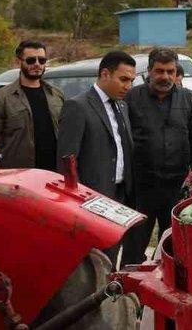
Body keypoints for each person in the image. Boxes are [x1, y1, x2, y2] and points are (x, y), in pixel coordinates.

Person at [122, 48, 192, 265]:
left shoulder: (187, 98)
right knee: (135, 244)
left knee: (171, 246)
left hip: (176, 186)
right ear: (149, 71)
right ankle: (128, 295)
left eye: (170, 71)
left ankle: (165, 292)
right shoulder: (132, 97)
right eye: (159, 71)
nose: (165, 76)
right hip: (141, 188)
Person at [56, 51, 137, 262]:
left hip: (120, 196)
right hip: (91, 200)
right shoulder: (78, 106)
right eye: (123, 79)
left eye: (131, 80)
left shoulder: (122, 106)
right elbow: (67, 160)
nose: (128, 86)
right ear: (105, 74)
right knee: (92, 260)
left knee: (111, 255)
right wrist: (77, 204)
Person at [0, 40, 66, 171]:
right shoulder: (2, 97)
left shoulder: (56, 95)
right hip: (20, 175)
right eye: (31, 60)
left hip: (55, 173)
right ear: (18, 62)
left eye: (42, 60)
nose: (37, 64)